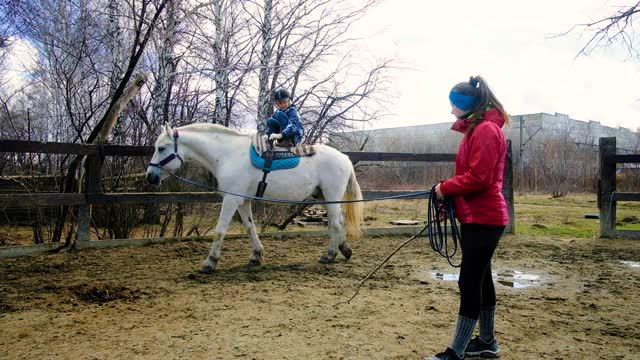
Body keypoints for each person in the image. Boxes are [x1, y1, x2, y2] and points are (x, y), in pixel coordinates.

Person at [425, 75, 510, 360]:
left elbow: (479, 177)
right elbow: (473, 175)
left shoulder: (485, 130)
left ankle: (456, 352)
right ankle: (486, 341)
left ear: (464, 105)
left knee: (469, 281)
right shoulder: (478, 129)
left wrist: (444, 188)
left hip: (484, 216)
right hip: (478, 215)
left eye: (452, 105)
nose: (450, 111)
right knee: (482, 279)